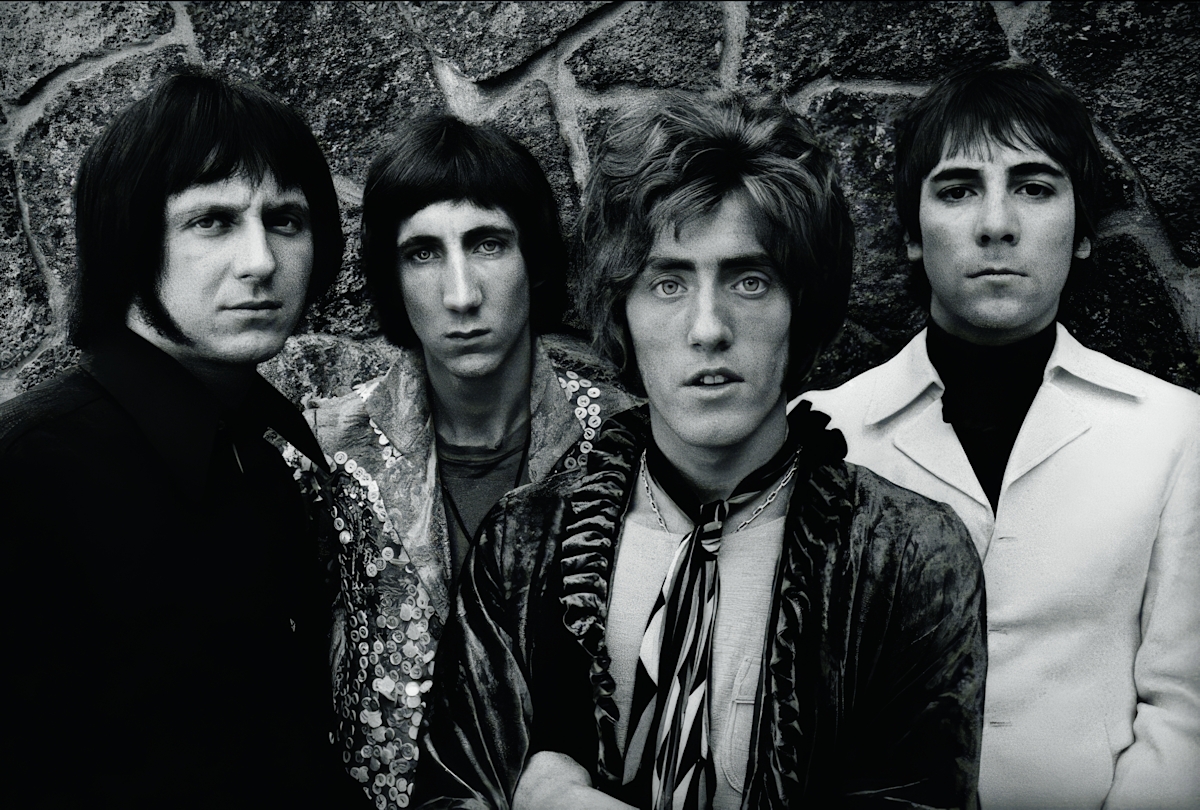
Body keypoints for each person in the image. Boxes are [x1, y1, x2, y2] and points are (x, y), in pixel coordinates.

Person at [414, 94, 987, 810]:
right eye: (668, 283)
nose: (709, 328)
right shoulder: (523, 545)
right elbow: (450, 794)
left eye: (749, 281)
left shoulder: (909, 558)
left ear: (801, 306)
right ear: (621, 308)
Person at [804, 62, 1200, 809]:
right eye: (957, 190)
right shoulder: (826, 433)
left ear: (1081, 234)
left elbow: (1186, 712)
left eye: (1034, 187)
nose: (996, 224)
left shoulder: (1177, 433)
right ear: (913, 235)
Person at [0, 69, 354, 802]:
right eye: (212, 221)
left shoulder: (270, 460)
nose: (260, 261)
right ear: (130, 243)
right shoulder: (26, 471)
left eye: (285, 220)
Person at [291, 114, 636, 809]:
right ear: (391, 278)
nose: (461, 293)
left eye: (487, 244)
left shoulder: (625, 442)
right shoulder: (326, 453)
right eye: (422, 253)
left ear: (534, 258)